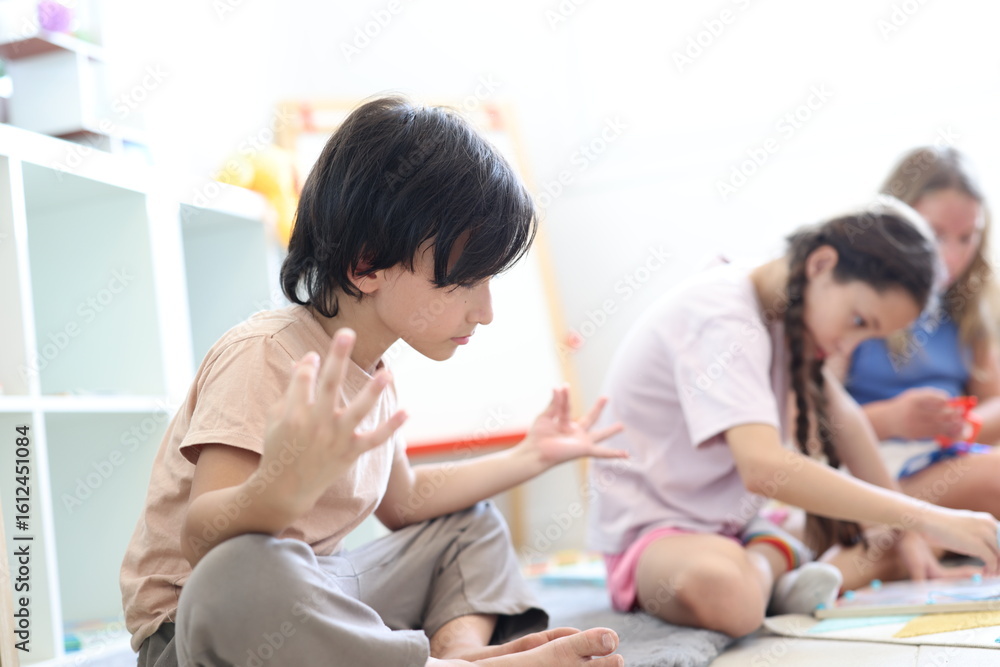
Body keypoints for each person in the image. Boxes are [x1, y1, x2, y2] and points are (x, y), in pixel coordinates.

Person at [121, 96, 628, 667]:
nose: (484, 312)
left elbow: (406, 502)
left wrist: (530, 455)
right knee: (246, 569)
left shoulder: (374, 368)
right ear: (365, 266)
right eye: (463, 281)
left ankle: (459, 655)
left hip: (317, 597)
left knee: (470, 524)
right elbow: (204, 538)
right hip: (199, 630)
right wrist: (281, 487)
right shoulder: (265, 354)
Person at [587, 197, 1000, 637]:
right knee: (729, 596)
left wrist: (908, 534)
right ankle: (779, 559)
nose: (847, 345)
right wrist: (923, 516)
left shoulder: (787, 316)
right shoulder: (724, 315)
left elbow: (849, 425)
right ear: (821, 264)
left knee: (890, 543)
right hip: (657, 534)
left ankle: (777, 557)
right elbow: (764, 468)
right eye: (858, 320)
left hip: (735, 526)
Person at [837, 147, 1000, 518]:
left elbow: (995, 401)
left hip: (948, 458)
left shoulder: (971, 304)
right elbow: (811, 431)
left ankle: (918, 545)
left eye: (967, 237)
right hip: (873, 465)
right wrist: (892, 420)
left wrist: (962, 425)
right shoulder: (852, 299)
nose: (953, 257)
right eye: (936, 234)